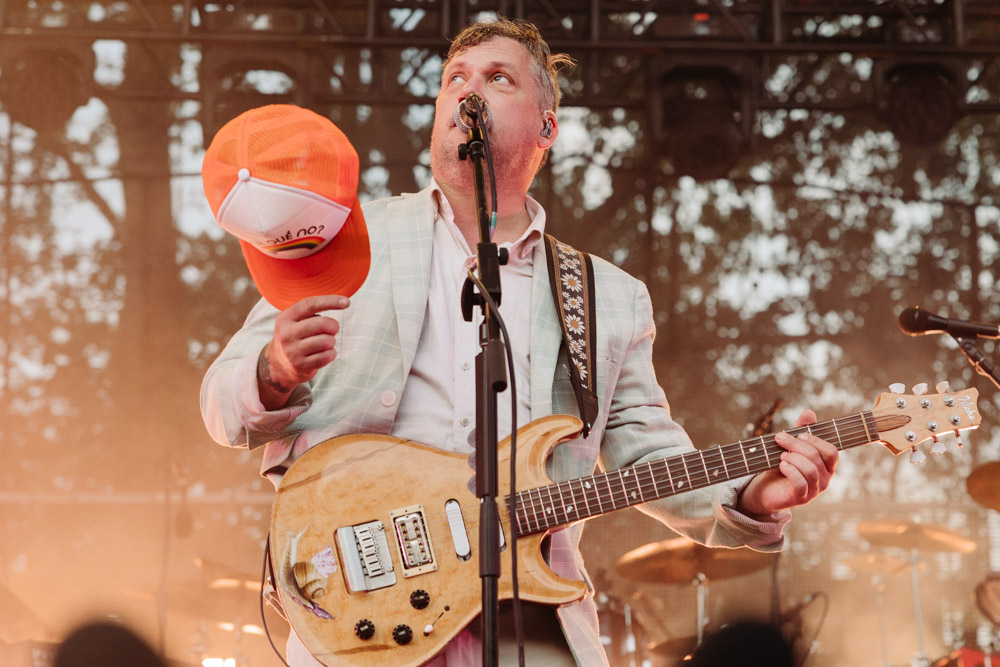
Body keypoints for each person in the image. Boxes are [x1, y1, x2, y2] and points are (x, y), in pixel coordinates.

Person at [199, 16, 839, 667]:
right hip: (363, 612)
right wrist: (273, 370)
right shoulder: (352, 238)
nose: (467, 92)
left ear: (547, 126)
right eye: (455, 78)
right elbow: (220, 405)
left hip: (533, 622)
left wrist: (751, 496)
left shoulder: (608, 297)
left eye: (497, 78)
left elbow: (647, 458)